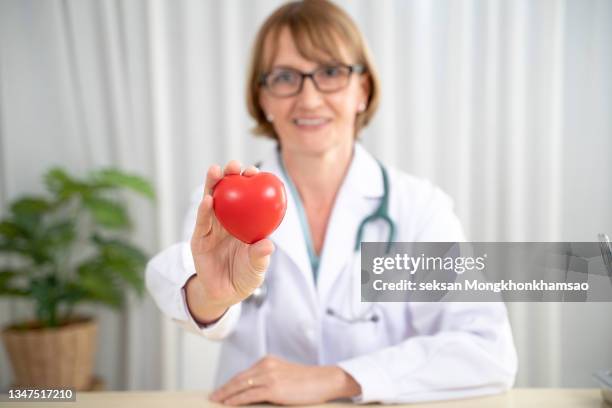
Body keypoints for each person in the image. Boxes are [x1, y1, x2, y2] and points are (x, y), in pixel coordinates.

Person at [146, 0, 517, 405]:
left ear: (363, 89)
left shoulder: (419, 210)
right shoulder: (223, 205)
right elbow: (175, 279)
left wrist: (340, 378)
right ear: (263, 98)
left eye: (330, 73)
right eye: (285, 77)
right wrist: (212, 296)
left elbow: (488, 350)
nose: (308, 99)